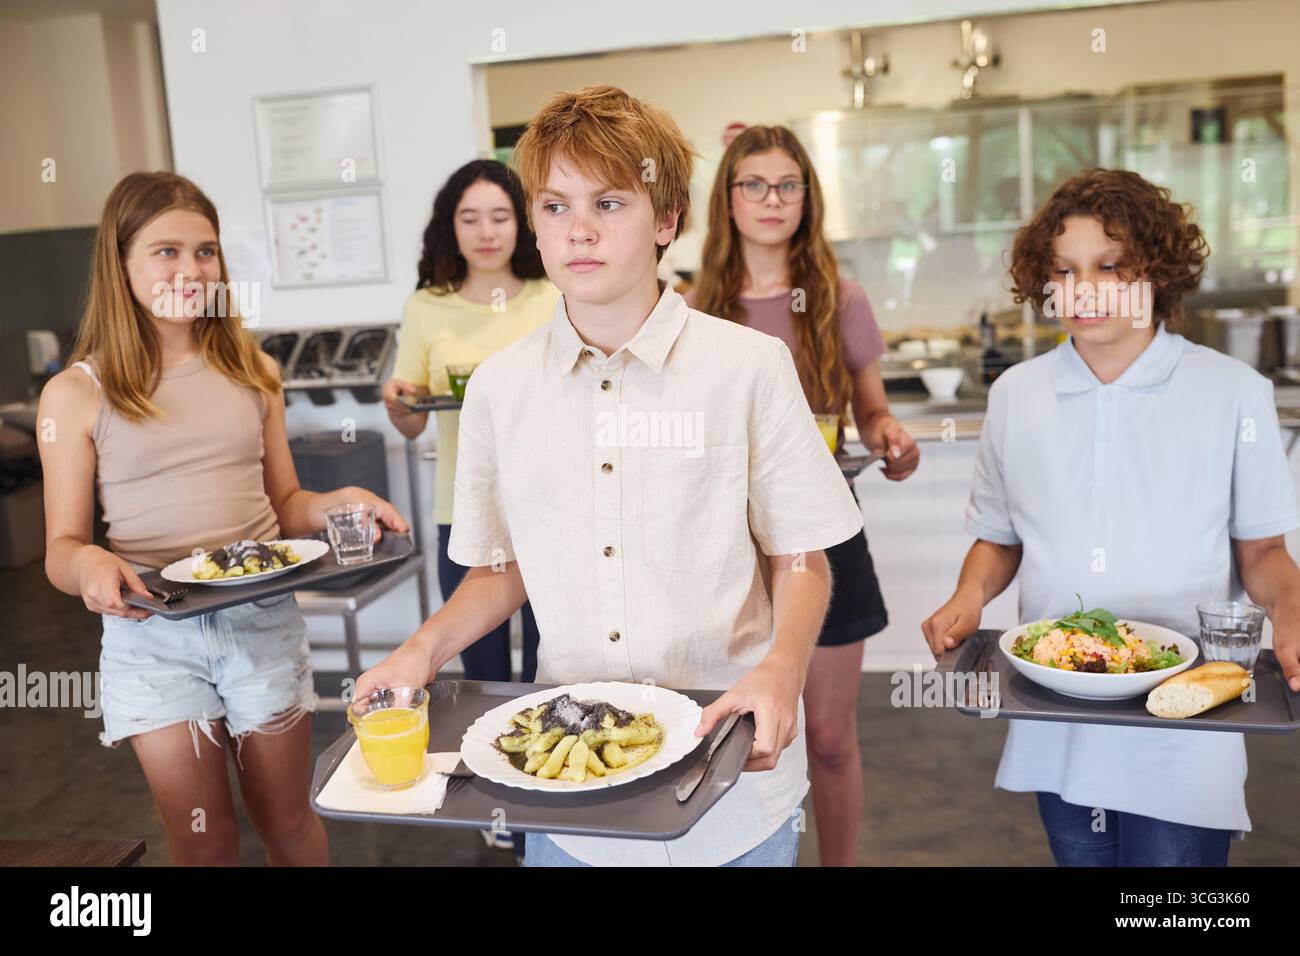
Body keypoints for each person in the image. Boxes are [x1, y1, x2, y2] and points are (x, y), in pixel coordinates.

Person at [357, 85, 865, 866]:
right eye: (555, 206)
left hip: (728, 779)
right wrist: (419, 651)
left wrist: (781, 669)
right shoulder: (498, 388)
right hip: (566, 790)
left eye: (610, 203)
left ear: (667, 220)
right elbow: (501, 571)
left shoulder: (749, 368)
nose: (580, 230)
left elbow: (803, 555)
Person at [922, 168, 1300, 866]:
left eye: (1110, 266)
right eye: (1063, 270)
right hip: (1058, 702)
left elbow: (1264, 555)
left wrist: (1294, 611)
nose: (1082, 288)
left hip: (1186, 711)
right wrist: (968, 596)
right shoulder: (1017, 395)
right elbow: (998, 538)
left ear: (1157, 272)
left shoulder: (1231, 394)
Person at [38, 171, 408, 866]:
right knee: (204, 844)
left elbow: (288, 505)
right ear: (121, 263)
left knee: (288, 822)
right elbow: (60, 546)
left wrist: (339, 506)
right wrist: (89, 564)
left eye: (205, 251)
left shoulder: (253, 372)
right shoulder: (76, 394)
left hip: (259, 622)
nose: (190, 268)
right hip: (152, 638)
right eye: (166, 251)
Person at [688, 125, 920, 866]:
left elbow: (870, 406)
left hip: (826, 538)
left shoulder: (838, 297)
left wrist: (888, 435)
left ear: (807, 199)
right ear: (726, 200)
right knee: (739, 736)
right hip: (726, 548)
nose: (771, 199)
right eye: (753, 184)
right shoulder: (694, 306)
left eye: (788, 184)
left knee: (826, 736)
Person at [382, 159, 558, 852]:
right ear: (449, 228)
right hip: (471, 513)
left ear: (523, 223)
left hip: (553, 509)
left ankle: (553, 803)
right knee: (483, 674)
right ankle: (504, 813)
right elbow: (413, 417)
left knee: (553, 664)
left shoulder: (553, 295)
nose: (486, 232)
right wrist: (398, 407)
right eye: (469, 217)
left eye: (500, 216)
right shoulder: (427, 305)